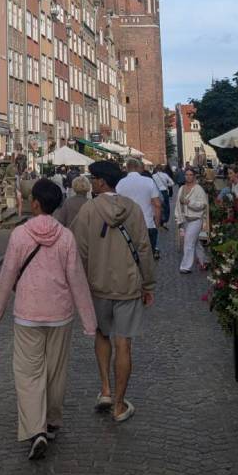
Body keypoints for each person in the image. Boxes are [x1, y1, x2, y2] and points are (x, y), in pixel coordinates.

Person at [0, 179, 96, 460]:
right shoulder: (66, 237)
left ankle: (35, 428)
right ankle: (51, 422)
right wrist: (89, 321)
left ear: (35, 203)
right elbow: (77, 279)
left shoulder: (20, 235)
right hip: (60, 314)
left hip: (28, 313)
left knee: (28, 373)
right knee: (56, 372)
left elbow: (7, 274)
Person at [71, 160, 155, 424]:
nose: (92, 183)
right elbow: (144, 249)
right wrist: (148, 284)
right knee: (124, 343)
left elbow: (79, 251)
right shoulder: (133, 209)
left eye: (94, 178)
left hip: (98, 285)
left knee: (101, 335)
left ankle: (106, 390)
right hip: (128, 286)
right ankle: (119, 405)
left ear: (100, 182)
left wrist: (81, 283)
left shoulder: (88, 210)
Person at [116, 158, 162, 260]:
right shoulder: (149, 181)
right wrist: (157, 223)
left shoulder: (120, 184)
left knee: (130, 258)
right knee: (148, 258)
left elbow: (117, 206)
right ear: (138, 168)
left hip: (128, 225)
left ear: (127, 168)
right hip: (147, 223)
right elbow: (157, 205)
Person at [174, 168, 210, 274]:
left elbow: (203, 205)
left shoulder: (198, 189)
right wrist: (178, 218)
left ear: (194, 176)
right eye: (186, 174)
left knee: (188, 242)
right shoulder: (181, 188)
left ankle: (185, 267)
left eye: (190, 175)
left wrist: (189, 202)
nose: (188, 177)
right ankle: (204, 260)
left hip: (196, 220)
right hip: (185, 219)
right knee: (195, 242)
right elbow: (178, 204)